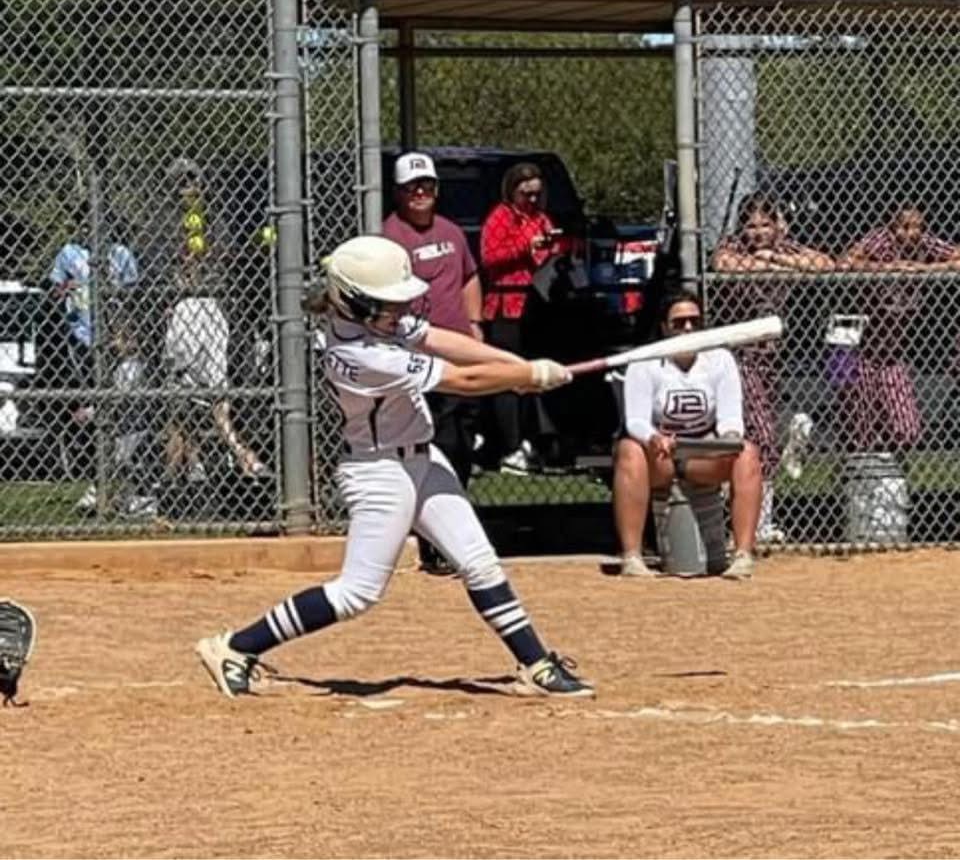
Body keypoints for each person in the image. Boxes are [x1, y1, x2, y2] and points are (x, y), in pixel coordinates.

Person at [195, 235, 594, 698]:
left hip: (423, 459)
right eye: (387, 302)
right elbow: (462, 379)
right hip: (379, 473)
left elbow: (445, 341)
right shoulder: (356, 354)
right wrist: (528, 376)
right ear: (355, 302)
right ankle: (236, 647)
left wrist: (519, 367)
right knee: (357, 594)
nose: (398, 309)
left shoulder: (379, 322)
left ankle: (536, 664)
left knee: (480, 563)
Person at [613, 290, 763, 580]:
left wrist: (727, 440)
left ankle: (743, 555)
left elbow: (731, 418)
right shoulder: (644, 362)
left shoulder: (720, 359)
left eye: (695, 321)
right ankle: (632, 557)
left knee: (747, 452)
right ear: (664, 327)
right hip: (660, 455)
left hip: (702, 453)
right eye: (679, 323)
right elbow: (636, 421)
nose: (688, 328)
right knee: (629, 450)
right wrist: (654, 439)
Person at [711, 192, 833, 541]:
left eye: (766, 224)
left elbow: (825, 264)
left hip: (772, 359)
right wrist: (768, 263)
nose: (759, 232)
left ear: (779, 225)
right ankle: (755, 525)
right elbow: (725, 265)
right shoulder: (732, 246)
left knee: (760, 434)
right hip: (737, 357)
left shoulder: (784, 248)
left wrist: (776, 258)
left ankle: (755, 520)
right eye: (751, 225)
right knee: (761, 436)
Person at [382, 151, 483, 574]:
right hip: (417, 354)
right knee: (431, 441)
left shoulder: (451, 232)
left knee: (461, 440)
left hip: (456, 348)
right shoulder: (390, 237)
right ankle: (431, 539)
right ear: (399, 193)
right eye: (411, 187)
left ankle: (455, 530)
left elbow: (469, 277)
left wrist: (475, 324)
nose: (420, 192)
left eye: (426, 185)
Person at [840, 202, 960, 451]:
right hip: (851, 345)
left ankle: (888, 467)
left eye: (917, 227)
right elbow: (846, 261)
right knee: (860, 430)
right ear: (892, 227)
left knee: (907, 431)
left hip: (891, 353)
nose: (911, 233)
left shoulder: (924, 244)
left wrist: (924, 269)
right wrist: (887, 268)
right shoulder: (880, 240)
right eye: (903, 227)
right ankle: (861, 469)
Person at [48, 209, 140, 512]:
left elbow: (135, 296)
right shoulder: (69, 252)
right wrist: (65, 289)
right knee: (93, 411)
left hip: (116, 342)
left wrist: (122, 319)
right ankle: (99, 480)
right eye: (86, 223)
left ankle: (117, 484)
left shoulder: (120, 254)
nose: (91, 228)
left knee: (120, 409)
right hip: (82, 339)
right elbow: (53, 291)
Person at [480, 162, 562, 474]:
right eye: (526, 194)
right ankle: (508, 444)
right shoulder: (500, 217)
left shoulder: (540, 219)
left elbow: (549, 254)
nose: (531, 200)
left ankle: (536, 438)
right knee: (508, 376)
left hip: (536, 304)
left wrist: (552, 246)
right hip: (506, 306)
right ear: (512, 192)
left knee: (534, 374)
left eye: (537, 194)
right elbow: (489, 256)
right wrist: (526, 247)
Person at [164, 259, 266, 484]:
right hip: (217, 378)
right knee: (212, 413)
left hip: (196, 381)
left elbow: (178, 355)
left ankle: (174, 477)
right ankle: (208, 464)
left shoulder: (186, 308)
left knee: (180, 417)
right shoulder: (220, 305)